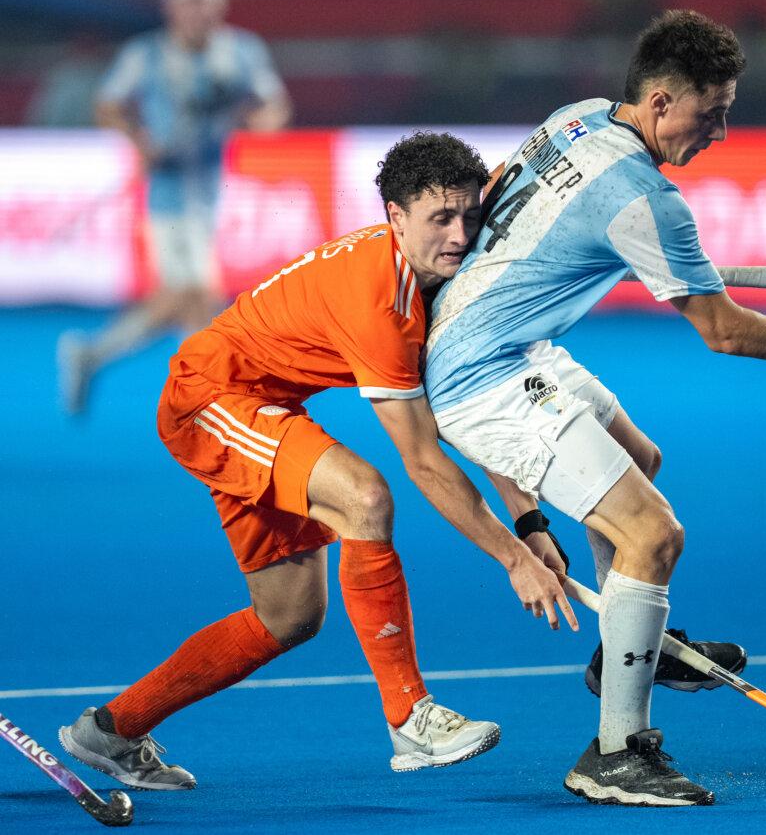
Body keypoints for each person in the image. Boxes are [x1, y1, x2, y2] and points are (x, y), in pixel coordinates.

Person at [422, 9, 766, 807]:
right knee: (654, 534)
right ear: (662, 101)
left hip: (507, 343)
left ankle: (624, 645)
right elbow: (724, 331)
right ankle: (615, 752)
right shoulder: (644, 199)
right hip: (483, 374)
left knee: (640, 459)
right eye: (714, 113)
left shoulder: (579, 118)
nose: (722, 133)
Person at [58, 131, 577, 791]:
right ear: (396, 217)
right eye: (440, 219)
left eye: (470, 216)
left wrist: (531, 526)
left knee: (290, 617)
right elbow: (423, 458)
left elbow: (464, 415)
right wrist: (513, 560)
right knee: (365, 495)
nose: (459, 236)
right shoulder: (381, 301)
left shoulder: (439, 279)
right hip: (210, 399)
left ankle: (111, 730)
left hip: (267, 407)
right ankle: (410, 719)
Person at [58, 0, 293, 415]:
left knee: (180, 298)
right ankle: (208, 393)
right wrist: (140, 141)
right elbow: (108, 105)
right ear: (171, 8)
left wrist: (259, 121)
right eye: (188, 3)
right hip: (169, 191)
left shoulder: (241, 51)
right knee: (196, 294)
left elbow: (272, 106)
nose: (197, 13)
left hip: (212, 186)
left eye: (205, 3)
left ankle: (95, 355)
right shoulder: (145, 54)